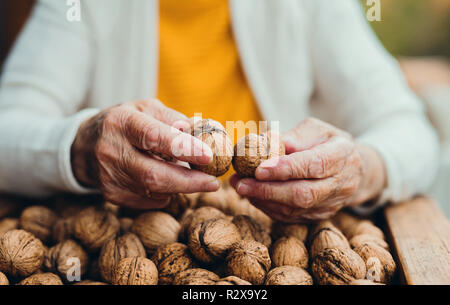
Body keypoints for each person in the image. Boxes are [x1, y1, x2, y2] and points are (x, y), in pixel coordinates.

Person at [0, 0, 439, 222]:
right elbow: (7, 127)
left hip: (271, 238)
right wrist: (80, 147)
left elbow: (408, 127)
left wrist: (359, 169)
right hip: (136, 238)